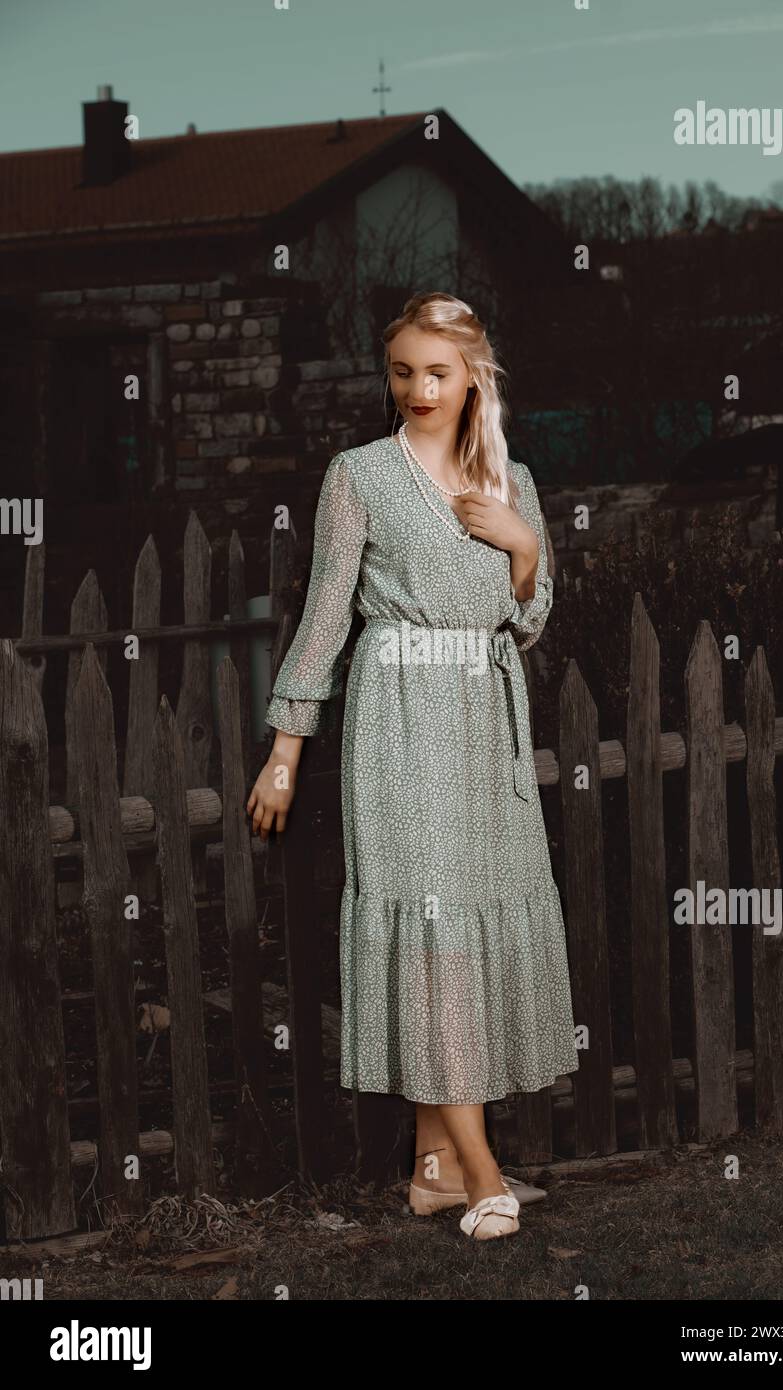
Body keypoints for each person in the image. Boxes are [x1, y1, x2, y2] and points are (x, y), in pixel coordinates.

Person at [247, 292, 578, 1240]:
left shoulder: (513, 477)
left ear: (474, 375)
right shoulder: (358, 475)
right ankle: (481, 1170)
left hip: (486, 717)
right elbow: (325, 618)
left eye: (437, 371)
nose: (418, 389)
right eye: (402, 371)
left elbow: (532, 615)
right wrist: (285, 749)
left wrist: (521, 548)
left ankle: (431, 1170)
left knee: (468, 932)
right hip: (401, 719)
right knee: (436, 938)